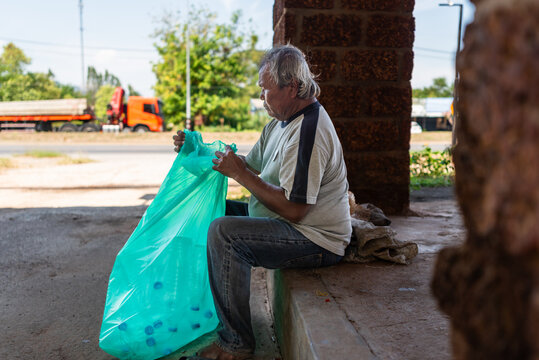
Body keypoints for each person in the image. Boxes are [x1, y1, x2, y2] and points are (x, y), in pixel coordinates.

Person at [173, 44, 351, 360]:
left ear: (292, 87)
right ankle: (205, 309)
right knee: (215, 214)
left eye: (266, 90)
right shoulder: (280, 122)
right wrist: (197, 151)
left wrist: (240, 174)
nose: (261, 98)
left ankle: (236, 343)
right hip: (284, 221)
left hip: (316, 239)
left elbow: (296, 210)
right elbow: (250, 164)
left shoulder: (308, 131)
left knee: (224, 233)